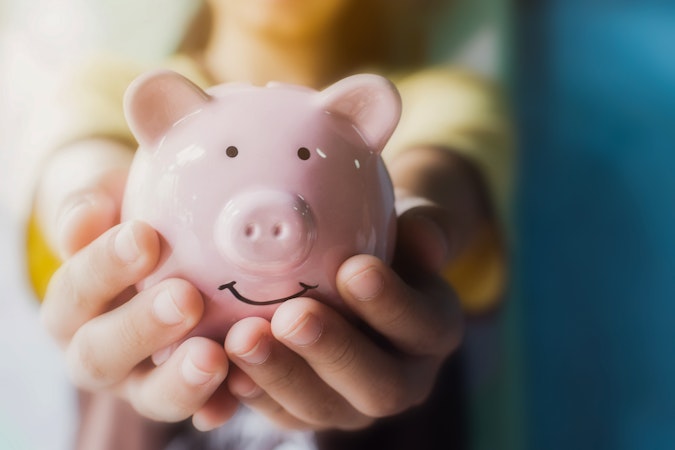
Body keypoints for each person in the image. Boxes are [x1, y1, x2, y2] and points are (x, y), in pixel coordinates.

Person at [26, 0, 513, 448]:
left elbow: (439, 164)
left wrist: (404, 211)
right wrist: (88, 201)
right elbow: (80, 148)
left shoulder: (436, 97)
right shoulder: (110, 87)